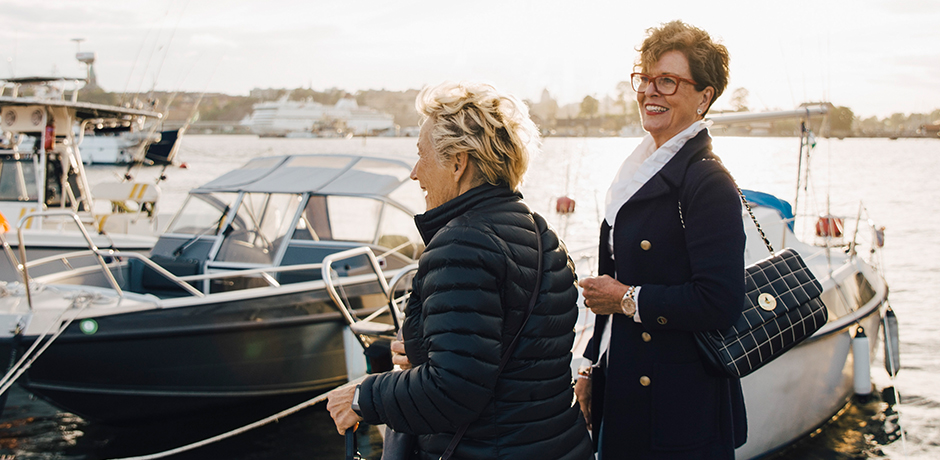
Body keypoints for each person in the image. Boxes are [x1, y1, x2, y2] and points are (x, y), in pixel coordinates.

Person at [327, 81, 592, 460]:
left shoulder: (461, 244)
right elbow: (519, 359)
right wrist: (423, 351)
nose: (415, 172)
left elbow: (453, 391)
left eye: (422, 155)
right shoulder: (540, 232)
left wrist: (361, 396)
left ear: (457, 162)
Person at [575, 20, 747, 459]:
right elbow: (612, 288)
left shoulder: (707, 180)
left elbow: (720, 302)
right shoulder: (636, 172)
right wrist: (592, 365)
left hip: (681, 410)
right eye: (645, 80)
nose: (650, 92)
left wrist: (629, 299)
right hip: (627, 391)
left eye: (668, 81)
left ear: (704, 96)